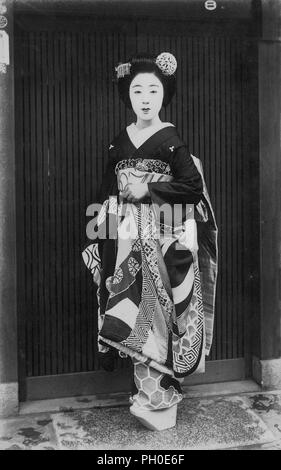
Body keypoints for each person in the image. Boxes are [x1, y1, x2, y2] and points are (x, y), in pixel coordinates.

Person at [82, 53, 218, 431]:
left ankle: (160, 403)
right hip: (123, 239)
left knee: (160, 319)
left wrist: (148, 187)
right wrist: (97, 234)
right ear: (128, 94)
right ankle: (144, 398)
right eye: (137, 89)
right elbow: (106, 190)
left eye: (153, 90)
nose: (145, 97)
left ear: (164, 95)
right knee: (128, 314)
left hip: (161, 238)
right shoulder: (118, 142)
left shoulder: (171, 139)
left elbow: (191, 186)